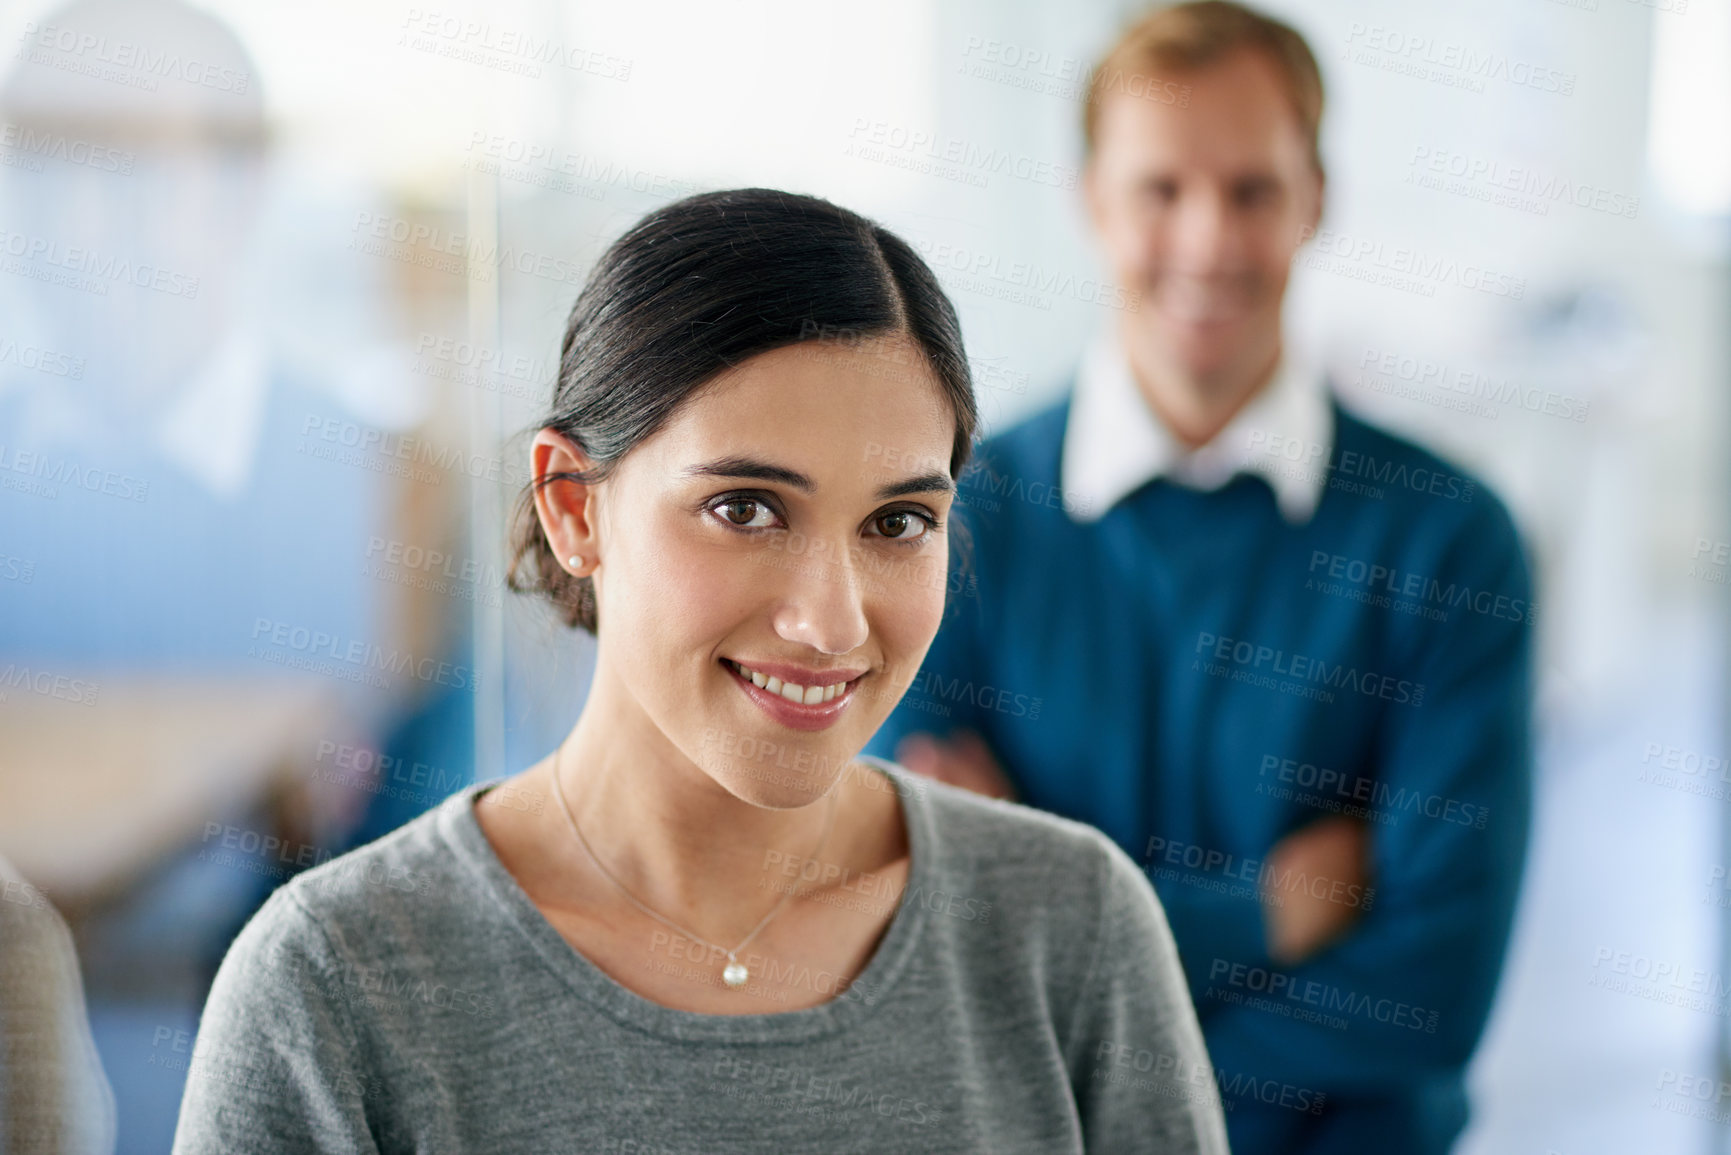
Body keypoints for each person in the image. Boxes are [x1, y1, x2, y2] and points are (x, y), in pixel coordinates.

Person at [170, 188, 1229, 1154]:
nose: (831, 620)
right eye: (745, 509)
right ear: (573, 507)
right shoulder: (335, 988)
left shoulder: (1071, 927)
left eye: (899, 522)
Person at [864, 5, 1535, 1154]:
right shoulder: (954, 523)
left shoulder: (1449, 542)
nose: (1209, 240)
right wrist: (1267, 913)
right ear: (1090, 201)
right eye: (1161, 190)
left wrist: (1085, 1021)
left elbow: (1428, 999)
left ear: (1317, 197)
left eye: (1253, 190)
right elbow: (934, 945)